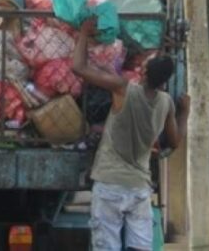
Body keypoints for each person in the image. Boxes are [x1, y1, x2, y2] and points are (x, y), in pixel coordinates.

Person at [71, 19, 190, 251]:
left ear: (142, 72)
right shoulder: (166, 103)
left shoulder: (124, 89)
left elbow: (78, 67)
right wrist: (185, 112)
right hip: (138, 188)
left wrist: (84, 33)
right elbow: (175, 141)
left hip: (109, 183)